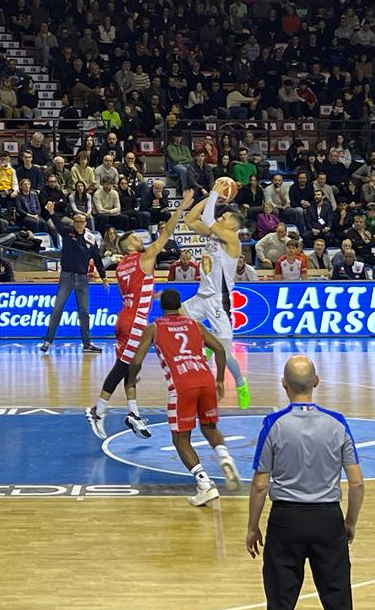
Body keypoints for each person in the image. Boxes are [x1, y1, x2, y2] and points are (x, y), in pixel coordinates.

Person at [246, 356, 364, 610]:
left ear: (283, 384)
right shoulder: (337, 424)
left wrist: (252, 527)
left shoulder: (273, 424)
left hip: (285, 522)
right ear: (317, 381)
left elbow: (261, 485)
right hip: (327, 521)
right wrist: (349, 523)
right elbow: (357, 483)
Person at [85, 192, 194, 440]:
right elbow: (166, 234)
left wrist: (154, 295)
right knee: (123, 367)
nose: (139, 238)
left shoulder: (122, 265)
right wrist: (182, 208)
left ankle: (133, 413)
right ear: (131, 247)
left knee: (131, 369)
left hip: (125, 317)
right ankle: (98, 410)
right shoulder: (143, 258)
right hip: (135, 321)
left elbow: (135, 291)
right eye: (135, 237)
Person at [127, 288, 240, 505]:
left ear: (162, 307)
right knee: (209, 427)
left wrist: (131, 380)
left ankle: (204, 484)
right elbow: (220, 350)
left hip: (182, 385)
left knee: (180, 438)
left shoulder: (154, 328)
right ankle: (224, 456)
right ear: (180, 306)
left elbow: (136, 360)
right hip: (205, 380)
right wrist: (218, 379)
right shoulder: (195, 325)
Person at [182, 179, 251, 408]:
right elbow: (191, 219)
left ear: (233, 225)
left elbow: (210, 219)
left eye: (225, 218)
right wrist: (206, 199)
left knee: (226, 354)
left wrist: (213, 194)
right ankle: (204, 347)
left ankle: (241, 384)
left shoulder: (232, 240)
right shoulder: (214, 235)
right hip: (202, 296)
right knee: (176, 319)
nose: (221, 218)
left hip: (219, 302)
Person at [38, 214, 108, 353]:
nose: (78, 224)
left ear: (85, 223)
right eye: (76, 221)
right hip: (67, 277)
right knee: (57, 309)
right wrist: (51, 213)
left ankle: (87, 344)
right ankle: (47, 341)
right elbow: (58, 223)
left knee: (84, 312)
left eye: (81, 221)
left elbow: (97, 258)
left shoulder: (90, 239)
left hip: (82, 278)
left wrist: (103, 276)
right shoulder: (67, 233)